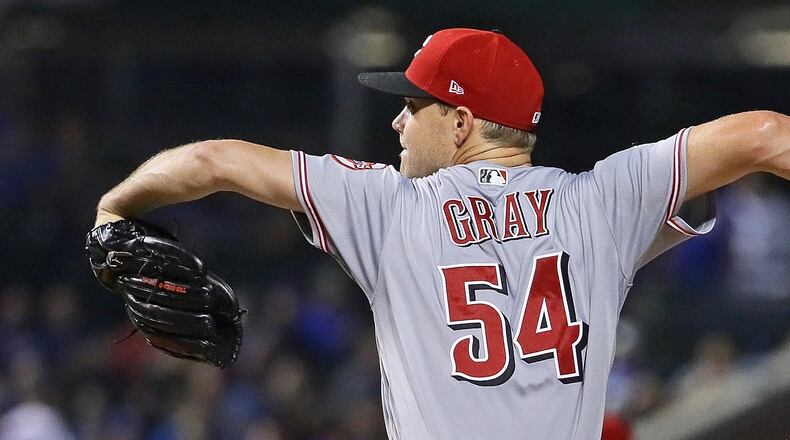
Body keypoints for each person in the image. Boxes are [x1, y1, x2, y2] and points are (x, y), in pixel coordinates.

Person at [91, 28, 790, 439]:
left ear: (460, 123)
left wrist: (113, 210)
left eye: (413, 104)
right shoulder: (603, 203)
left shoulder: (391, 207)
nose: (398, 120)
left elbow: (214, 160)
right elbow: (763, 134)